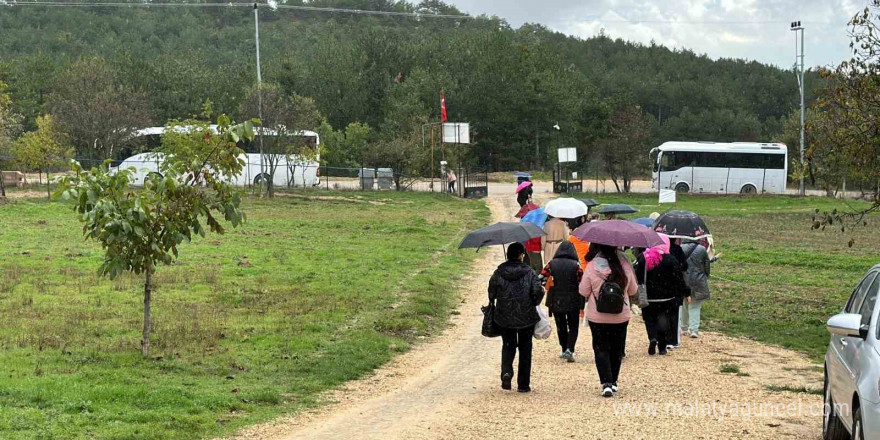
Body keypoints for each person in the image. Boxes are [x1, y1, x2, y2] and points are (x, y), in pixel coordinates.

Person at [579, 243, 637, 397]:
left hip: (597, 315)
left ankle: (606, 382)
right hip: (620, 315)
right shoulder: (624, 266)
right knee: (617, 348)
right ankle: (614, 380)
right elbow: (633, 290)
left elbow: (583, 291)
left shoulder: (592, 266)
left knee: (600, 348)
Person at [488, 242, 544, 393]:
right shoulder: (529, 272)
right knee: (525, 348)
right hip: (526, 315)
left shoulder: (499, 272)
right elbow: (537, 292)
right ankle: (523, 384)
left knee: (508, 344)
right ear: (521, 255)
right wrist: (533, 302)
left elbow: (491, 292)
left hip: (504, 315)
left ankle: (506, 372)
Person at [634, 235, 691, 356]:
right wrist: (685, 292)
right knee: (663, 321)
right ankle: (662, 346)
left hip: (648, 295)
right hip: (667, 297)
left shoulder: (644, 258)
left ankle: (652, 337)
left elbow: (638, 276)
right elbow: (678, 279)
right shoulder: (671, 259)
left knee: (649, 319)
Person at [539, 241, 584, 362]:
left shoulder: (552, 263)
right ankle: (570, 348)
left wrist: (549, 284)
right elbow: (582, 282)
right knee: (573, 326)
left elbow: (541, 277)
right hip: (573, 299)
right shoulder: (576, 265)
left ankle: (564, 348)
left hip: (556, 299)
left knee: (561, 326)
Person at [680, 238, 712, 338]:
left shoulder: (680, 248)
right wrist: (705, 275)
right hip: (698, 280)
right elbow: (707, 266)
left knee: (684, 304)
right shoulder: (702, 249)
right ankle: (694, 330)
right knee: (695, 306)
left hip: (683, 280)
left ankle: (683, 327)